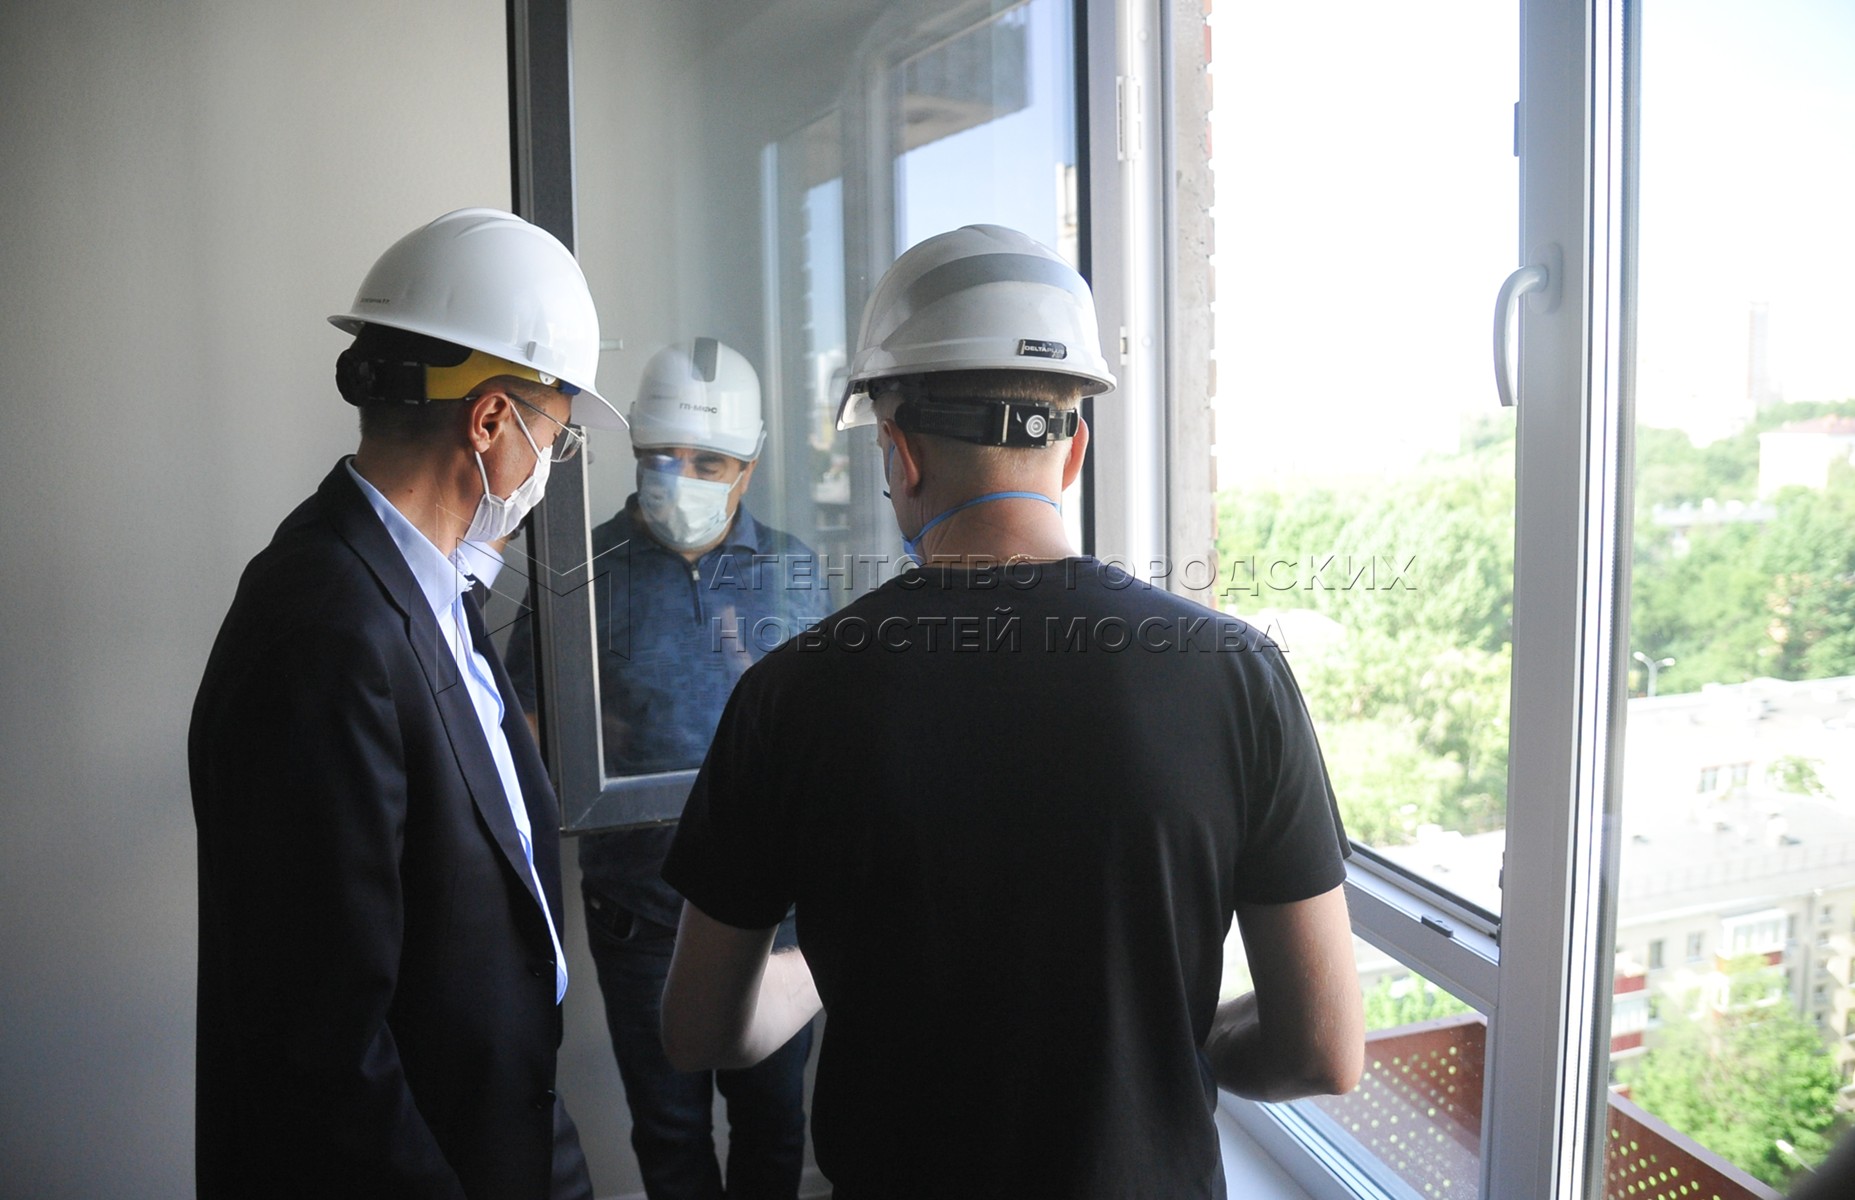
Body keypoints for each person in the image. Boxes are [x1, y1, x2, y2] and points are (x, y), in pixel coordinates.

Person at [656, 224, 1365, 1198]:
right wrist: (1157, 1042)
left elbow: (701, 1029)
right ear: (1073, 450)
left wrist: (829, 959)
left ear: (900, 453)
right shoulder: (1235, 676)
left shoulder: (790, 695)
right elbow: (1321, 1049)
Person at [189, 208, 622, 1199]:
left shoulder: (428, 589)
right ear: (490, 422)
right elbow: (323, 1045)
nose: (546, 472)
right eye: (554, 440)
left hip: (501, 1133)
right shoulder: (324, 629)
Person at [505, 339, 830, 1200]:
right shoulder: (579, 572)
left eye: (707, 462)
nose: (679, 478)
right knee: (670, 1130)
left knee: (772, 1122)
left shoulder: (793, 572)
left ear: (747, 468)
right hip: (639, 913)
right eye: (660, 456)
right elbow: (523, 743)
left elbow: (829, 740)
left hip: (772, 914)